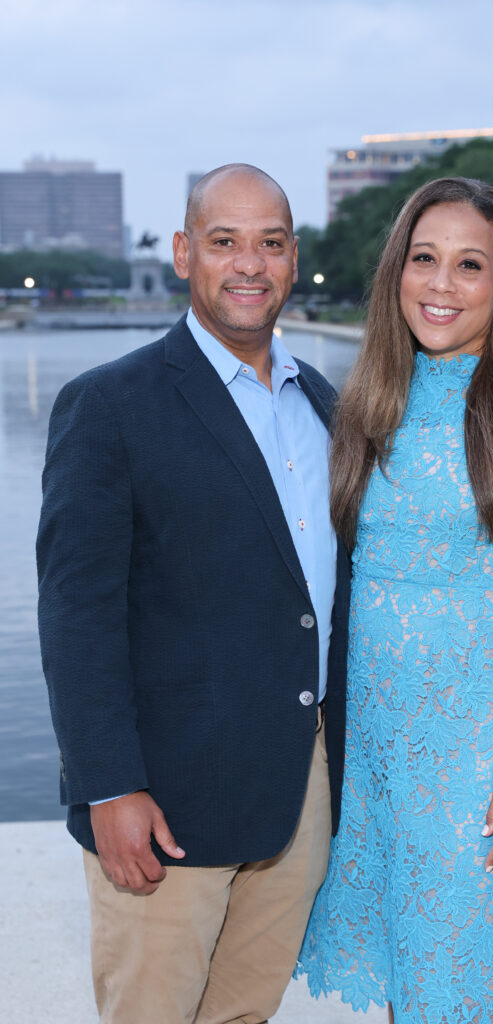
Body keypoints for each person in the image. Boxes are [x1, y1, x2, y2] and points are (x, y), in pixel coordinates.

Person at [36, 163, 349, 1024]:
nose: (248, 263)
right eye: (224, 241)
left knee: (244, 1015)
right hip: (166, 796)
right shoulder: (108, 404)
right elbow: (76, 614)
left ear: (292, 260)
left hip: (299, 787)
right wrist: (107, 785)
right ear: (183, 253)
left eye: (270, 243)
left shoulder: (325, 405)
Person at [296, 177, 493, 1023]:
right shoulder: (371, 398)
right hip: (385, 749)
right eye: (423, 259)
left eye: (469, 265)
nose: (440, 285)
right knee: (416, 976)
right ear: (396, 268)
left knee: (480, 975)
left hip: (490, 748)